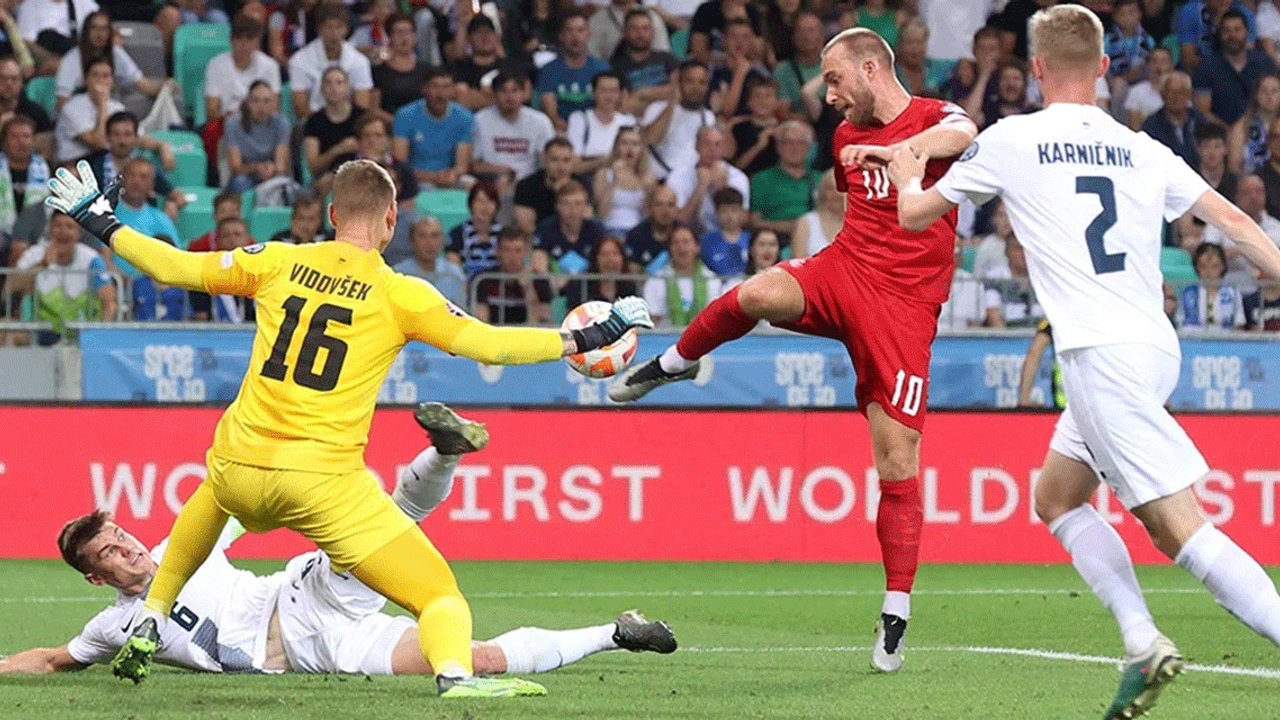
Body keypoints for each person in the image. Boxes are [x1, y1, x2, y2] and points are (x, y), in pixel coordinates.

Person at [45, 156, 654, 696]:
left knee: (212, 493)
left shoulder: (276, 260)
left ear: (332, 213)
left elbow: (173, 267)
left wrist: (102, 221)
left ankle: (152, 611)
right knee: (438, 595)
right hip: (320, 481)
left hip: (240, 465)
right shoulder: (399, 293)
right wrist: (582, 337)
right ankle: (457, 679)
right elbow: (490, 346)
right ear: (391, 221)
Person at [888, 5, 1280, 717]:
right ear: (1104, 69)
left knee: (1178, 528)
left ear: (1035, 69)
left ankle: (1170, 641)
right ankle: (1140, 640)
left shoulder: (1014, 139)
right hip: (1155, 346)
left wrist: (908, 164)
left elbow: (913, 216)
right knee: (1057, 497)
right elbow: (1237, 224)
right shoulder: (1143, 147)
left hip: (1101, 355)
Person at [611, 27, 978, 674]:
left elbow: (964, 131)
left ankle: (896, 610)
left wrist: (908, 153)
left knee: (896, 461)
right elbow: (863, 210)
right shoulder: (843, 139)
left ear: (870, 69)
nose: (829, 96)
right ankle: (678, 361)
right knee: (755, 293)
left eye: (834, 80)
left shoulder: (930, 117)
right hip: (847, 270)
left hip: (904, 310)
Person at [0, 409, 676, 676]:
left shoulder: (189, 540)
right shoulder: (115, 624)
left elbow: (244, 505)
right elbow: (54, 660)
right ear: (95, 577)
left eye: (121, 535)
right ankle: (617, 634)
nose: (128, 550)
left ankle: (441, 455)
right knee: (477, 660)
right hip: (324, 652)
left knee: (382, 524)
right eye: (109, 555)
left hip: (298, 596)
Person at [10, 210, 117, 339]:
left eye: (69, 227)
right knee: (10, 336)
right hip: (40, 331)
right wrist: (42, 265)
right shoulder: (34, 254)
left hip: (83, 334)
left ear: (78, 233)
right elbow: (11, 286)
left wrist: (99, 334)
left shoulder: (91, 259)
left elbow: (109, 301)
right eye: (58, 226)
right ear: (49, 230)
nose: (63, 231)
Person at [393, 66, 474, 191]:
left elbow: (462, 165)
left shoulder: (465, 117)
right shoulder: (405, 115)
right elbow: (400, 163)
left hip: (450, 177)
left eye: (446, 87)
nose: (440, 93)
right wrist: (433, 177)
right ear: (425, 89)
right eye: (435, 86)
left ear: (453, 90)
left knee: (471, 184)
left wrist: (451, 175)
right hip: (416, 178)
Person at [471, 70, 556, 188]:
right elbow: (473, 165)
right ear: (494, 94)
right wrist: (499, 170)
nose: (510, 96)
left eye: (515, 91)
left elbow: (548, 161)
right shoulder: (479, 120)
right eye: (503, 91)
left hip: (531, 182)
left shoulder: (541, 122)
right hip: (491, 180)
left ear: (523, 93)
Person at [288, 3, 373, 118]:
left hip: (349, 125)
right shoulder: (299, 60)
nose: (334, 33)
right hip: (313, 123)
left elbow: (362, 106)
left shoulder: (360, 62)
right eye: (328, 27)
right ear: (318, 29)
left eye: (339, 27)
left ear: (347, 30)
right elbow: (300, 108)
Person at [536, 9, 610, 133]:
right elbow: (551, 113)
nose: (575, 37)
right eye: (569, 31)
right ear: (561, 35)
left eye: (580, 30)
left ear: (589, 36)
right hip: (560, 132)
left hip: (597, 130)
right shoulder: (548, 70)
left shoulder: (602, 69)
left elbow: (608, 106)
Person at [665, 124, 748, 231]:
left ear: (723, 148)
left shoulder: (738, 177)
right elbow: (679, 221)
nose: (712, 149)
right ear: (697, 146)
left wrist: (722, 189)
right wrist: (701, 187)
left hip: (722, 238)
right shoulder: (678, 175)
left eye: (717, 145)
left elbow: (742, 221)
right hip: (690, 237)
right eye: (707, 144)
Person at [641, 60, 715, 179]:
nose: (696, 88)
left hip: (691, 181)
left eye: (702, 82)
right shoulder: (656, 108)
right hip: (659, 180)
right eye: (689, 81)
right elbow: (650, 139)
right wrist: (672, 102)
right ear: (678, 82)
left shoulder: (709, 117)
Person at [204, 13, 282, 124]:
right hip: (227, 123)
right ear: (231, 39)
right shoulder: (215, 65)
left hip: (261, 123)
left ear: (257, 42)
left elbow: (274, 109)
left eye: (249, 39)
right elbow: (212, 111)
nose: (244, 44)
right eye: (239, 38)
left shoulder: (270, 65)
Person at [750, 120, 819, 241]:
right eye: (788, 142)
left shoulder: (821, 179)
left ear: (808, 148)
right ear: (778, 147)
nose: (794, 148)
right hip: (776, 242)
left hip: (815, 242)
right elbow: (754, 222)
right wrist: (790, 227)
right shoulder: (762, 179)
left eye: (800, 142)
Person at [641, 222, 722, 326]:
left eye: (686, 242)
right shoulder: (656, 280)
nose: (681, 247)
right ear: (670, 249)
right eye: (676, 243)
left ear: (697, 247)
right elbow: (652, 321)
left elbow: (716, 318)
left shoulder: (711, 279)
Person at [473, 225, 553, 324]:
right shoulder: (484, 279)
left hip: (526, 335)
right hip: (494, 335)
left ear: (526, 252)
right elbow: (481, 321)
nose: (513, 257)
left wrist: (527, 288)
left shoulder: (538, 280)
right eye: (507, 250)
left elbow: (540, 323)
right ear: (498, 252)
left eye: (518, 251)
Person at [224, 81, 291, 195]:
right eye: (256, 101)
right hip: (245, 174)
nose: (261, 106)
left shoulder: (282, 123)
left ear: (274, 104)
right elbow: (235, 167)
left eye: (266, 101)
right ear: (248, 103)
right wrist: (256, 168)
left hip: (272, 173)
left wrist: (271, 169)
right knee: (240, 183)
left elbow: (281, 166)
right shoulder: (233, 124)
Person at [54, 56, 125, 163]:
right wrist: (102, 105)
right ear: (86, 80)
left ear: (112, 81)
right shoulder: (71, 108)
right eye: (95, 75)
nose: (100, 80)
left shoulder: (118, 108)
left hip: (107, 163)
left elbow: (135, 137)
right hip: (76, 164)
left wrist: (159, 145)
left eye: (105, 76)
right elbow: (98, 144)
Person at [302, 67, 359, 196]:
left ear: (348, 88)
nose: (333, 88)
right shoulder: (314, 122)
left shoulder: (361, 117)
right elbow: (313, 167)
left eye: (339, 83)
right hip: (325, 181)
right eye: (328, 83)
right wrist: (337, 150)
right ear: (321, 89)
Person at [565, 71, 635, 176]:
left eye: (613, 91)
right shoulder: (579, 119)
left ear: (620, 94)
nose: (608, 96)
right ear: (594, 93)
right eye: (603, 90)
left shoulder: (628, 121)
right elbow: (573, 166)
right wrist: (601, 162)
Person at [611, 8, 677, 115]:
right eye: (634, 29)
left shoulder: (666, 58)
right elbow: (625, 106)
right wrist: (662, 94)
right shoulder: (616, 65)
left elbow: (677, 90)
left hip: (670, 116)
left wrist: (641, 94)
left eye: (645, 28)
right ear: (625, 32)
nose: (640, 34)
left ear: (653, 32)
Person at [534, 180, 606, 274]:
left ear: (586, 207)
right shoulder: (546, 229)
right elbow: (538, 263)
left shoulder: (596, 231)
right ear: (557, 206)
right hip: (555, 286)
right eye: (566, 204)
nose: (572, 209)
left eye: (578, 203)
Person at [592, 126, 653, 236]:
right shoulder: (604, 174)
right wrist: (614, 180)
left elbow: (648, 216)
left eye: (635, 144)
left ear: (642, 149)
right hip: (609, 230)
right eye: (624, 143)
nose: (630, 148)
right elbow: (601, 214)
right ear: (617, 147)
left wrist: (648, 190)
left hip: (637, 232)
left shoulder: (649, 177)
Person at [393, 215, 467, 307]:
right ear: (412, 240)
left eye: (435, 236)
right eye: (422, 236)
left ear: (442, 240)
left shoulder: (454, 274)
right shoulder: (398, 275)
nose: (429, 243)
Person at [514, 137, 581, 235]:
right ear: (545, 160)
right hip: (540, 242)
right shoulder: (526, 186)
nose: (561, 166)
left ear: (572, 161)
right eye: (555, 160)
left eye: (566, 160)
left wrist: (563, 192)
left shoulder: (581, 184)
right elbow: (526, 226)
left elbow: (584, 222)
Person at [370, 12, 430, 117]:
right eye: (398, 32)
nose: (404, 37)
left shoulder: (426, 70)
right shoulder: (378, 71)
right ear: (390, 36)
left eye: (408, 32)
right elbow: (374, 109)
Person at [1178, 242, 1247, 330]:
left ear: (1222, 267)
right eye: (1203, 266)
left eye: (1214, 266)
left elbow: (1239, 324)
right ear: (1196, 267)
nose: (1209, 272)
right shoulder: (1188, 292)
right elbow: (1181, 323)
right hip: (1194, 340)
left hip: (1225, 341)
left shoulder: (1232, 291)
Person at [0, 114, 48, 235]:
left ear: (33, 140)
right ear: (5, 141)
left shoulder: (43, 168)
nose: (21, 142)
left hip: (34, 235)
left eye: (26, 136)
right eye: (14, 137)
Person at [562, 235, 638, 308]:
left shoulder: (630, 288)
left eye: (615, 254)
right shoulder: (581, 285)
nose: (610, 259)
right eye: (604, 254)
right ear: (595, 259)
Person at [446, 181, 503, 277]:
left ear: (496, 206)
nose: (485, 207)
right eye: (479, 201)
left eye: (490, 201)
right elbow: (453, 268)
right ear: (471, 204)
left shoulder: (504, 233)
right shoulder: (457, 233)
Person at [1228, 72, 1280, 173]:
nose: (1269, 96)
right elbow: (1233, 166)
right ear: (1256, 95)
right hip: (1251, 183)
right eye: (1264, 91)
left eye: (1274, 91)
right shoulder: (1242, 126)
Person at [625, 184, 682, 272]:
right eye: (659, 204)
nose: (665, 210)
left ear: (676, 209)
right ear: (649, 208)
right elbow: (633, 273)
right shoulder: (636, 235)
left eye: (670, 205)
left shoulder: (684, 234)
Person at [590, 0, 669, 62]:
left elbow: (663, 53)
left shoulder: (652, 16)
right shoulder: (595, 21)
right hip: (613, 75)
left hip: (654, 72)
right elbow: (593, 58)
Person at [789, 169, 841, 259]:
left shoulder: (859, 224)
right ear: (822, 192)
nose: (835, 193)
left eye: (840, 188)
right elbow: (797, 263)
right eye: (830, 188)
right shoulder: (806, 222)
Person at [698, 186, 749, 275]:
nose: (729, 216)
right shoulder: (707, 242)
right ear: (717, 214)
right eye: (724, 211)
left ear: (741, 212)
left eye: (734, 210)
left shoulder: (751, 240)